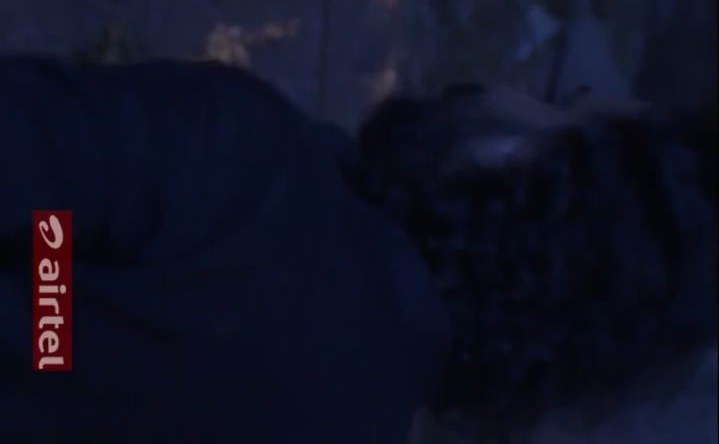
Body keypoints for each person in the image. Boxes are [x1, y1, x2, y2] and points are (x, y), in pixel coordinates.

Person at [0, 56, 714, 442]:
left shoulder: (248, 159)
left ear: (514, 162)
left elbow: (39, 183)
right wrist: (52, 321)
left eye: (555, 103)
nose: (497, 85)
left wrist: (50, 312)